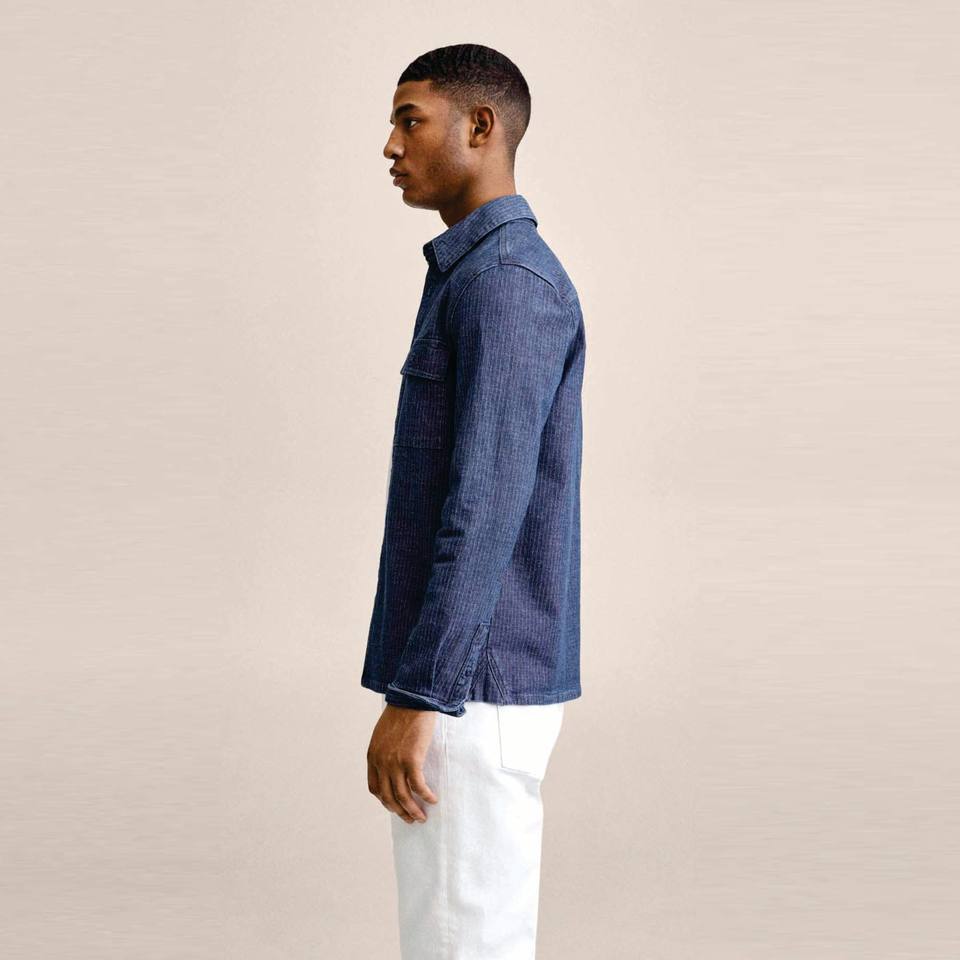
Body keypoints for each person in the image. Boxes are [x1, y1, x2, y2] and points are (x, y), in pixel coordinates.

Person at [361, 43, 586, 960]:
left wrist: (420, 694)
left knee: (461, 944)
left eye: (410, 120)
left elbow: (486, 508)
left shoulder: (505, 285)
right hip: (470, 682)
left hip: (468, 689)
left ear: (480, 126)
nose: (390, 144)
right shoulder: (475, 276)